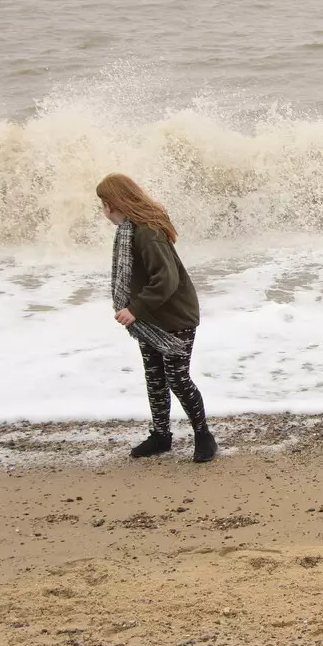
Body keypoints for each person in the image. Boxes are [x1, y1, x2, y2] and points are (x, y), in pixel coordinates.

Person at [96, 174, 217, 463]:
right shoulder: (130, 231)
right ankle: (161, 436)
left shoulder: (146, 233)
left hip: (175, 317)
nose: (103, 211)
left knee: (177, 378)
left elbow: (167, 279)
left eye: (103, 204)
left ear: (112, 204)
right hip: (152, 318)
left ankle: (204, 435)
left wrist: (134, 309)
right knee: (155, 378)